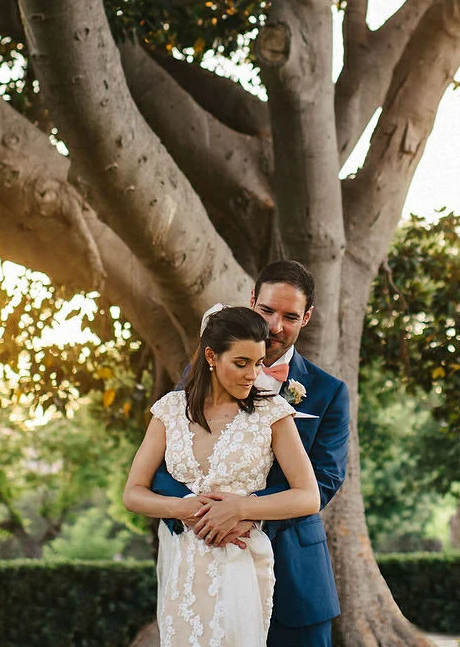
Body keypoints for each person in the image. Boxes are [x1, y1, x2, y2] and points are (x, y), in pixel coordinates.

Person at [150, 261, 350, 647]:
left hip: (295, 574)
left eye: (290, 316)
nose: (276, 326)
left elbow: (324, 481)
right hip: (209, 572)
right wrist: (200, 512)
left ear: (306, 318)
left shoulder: (328, 392)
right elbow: (165, 460)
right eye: (268, 311)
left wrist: (246, 511)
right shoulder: (200, 374)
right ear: (252, 301)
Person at [125, 306, 321, 647]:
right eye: (241, 363)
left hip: (239, 563)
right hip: (182, 566)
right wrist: (182, 508)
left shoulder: (271, 413)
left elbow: (308, 495)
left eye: (259, 363)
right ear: (211, 356)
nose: (252, 374)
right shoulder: (170, 410)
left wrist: (242, 509)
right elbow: (133, 493)